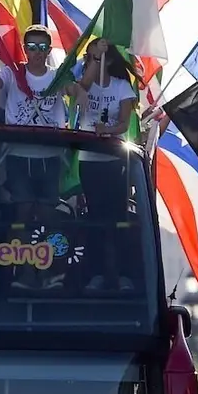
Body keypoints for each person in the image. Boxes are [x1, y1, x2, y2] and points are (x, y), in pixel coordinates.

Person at [0, 25, 87, 290]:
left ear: (48, 50)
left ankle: (54, 271)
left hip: (51, 157)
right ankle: (24, 273)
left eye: (42, 48)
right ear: (25, 49)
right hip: (18, 156)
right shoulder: (13, 73)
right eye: (32, 47)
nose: (37, 53)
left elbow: (74, 90)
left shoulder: (57, 76)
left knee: (49, 215)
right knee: (23, 214)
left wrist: (80, 93)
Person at [76, 38, 138, 292]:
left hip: (114, 159)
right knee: (95, 218)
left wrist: (108, 130)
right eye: (88, 58)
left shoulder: (122, 87)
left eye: (98, 58)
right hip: (89, 160)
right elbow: (82, 87)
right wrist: (94, 60)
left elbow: (124, 123)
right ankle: (96, 273)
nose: (91, 62)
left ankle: (122, 273)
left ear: (110, 60)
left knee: (118, 218)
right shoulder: (84, 83)